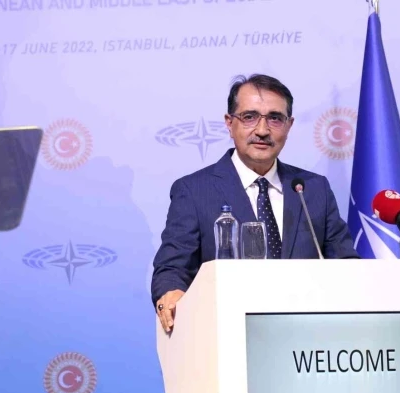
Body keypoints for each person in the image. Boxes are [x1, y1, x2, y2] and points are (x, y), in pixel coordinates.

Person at [152, 74, 359, 331]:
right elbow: (172, 267)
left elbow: (347, 267)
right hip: (227, 334)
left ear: (289, 125)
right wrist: (170, 293)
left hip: (308, 337)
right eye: (249, 117)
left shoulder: (313, 189)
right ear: (229, 123)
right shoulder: (194, 191)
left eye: (275, 118)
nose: (262, 130)